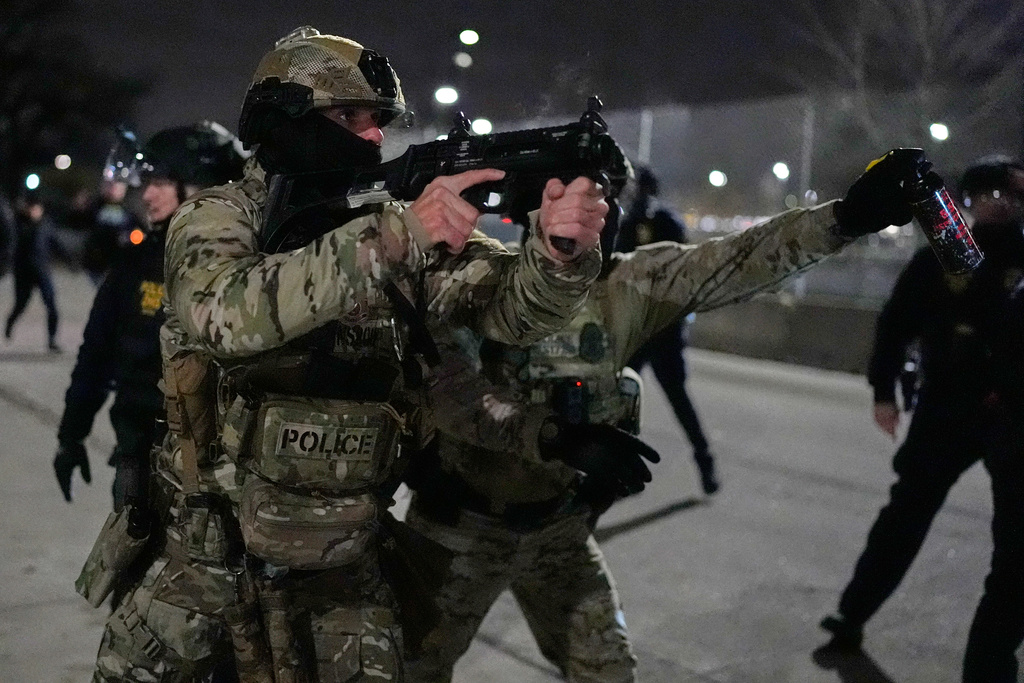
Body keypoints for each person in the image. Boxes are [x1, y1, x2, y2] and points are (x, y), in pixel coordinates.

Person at [88, 25, 607, 682]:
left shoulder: (393, 223)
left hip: (342, 579)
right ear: (285, 118)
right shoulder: (221, 216)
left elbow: (509, 308)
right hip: (206, 571)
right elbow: (224, 314)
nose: (370, 136)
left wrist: (560, 252)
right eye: (349, 115)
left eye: (378, 121)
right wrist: (397, 235)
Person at [402, 149, 926, 683]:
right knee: (408, 668)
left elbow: (738, 260)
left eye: (604, 200)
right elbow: (452, 397)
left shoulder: (627, 284)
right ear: (534, 212)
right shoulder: (471, 284)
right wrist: (555, 437)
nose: (594, 214)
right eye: (573, 199)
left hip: (557, 530)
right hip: (458, 526)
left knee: (608, 671)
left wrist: (846, 219)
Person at [819, 156, 1024, 683]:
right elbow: (895, 324)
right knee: (906, 514)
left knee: (1016, 555)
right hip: (948, 406)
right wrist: (883, 390)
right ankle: (854, 611)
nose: (997, 202)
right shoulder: (947, 251)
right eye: (984, 192)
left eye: (1008, 192)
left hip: (1013, 413)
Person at [52, 121, 247, 512]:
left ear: (198, 187)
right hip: (140, 457)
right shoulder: (136, 263)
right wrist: (71, 436)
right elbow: (96, 354)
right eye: (148, 182)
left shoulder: (244, 266)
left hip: (224, 471)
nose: (148, 193)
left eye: (161, 181)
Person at [617, 166, 718, 494]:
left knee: (670, 397)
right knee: (626, 400)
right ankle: (627, 471)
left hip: (660, 326)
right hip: (642, 325)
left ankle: (704, 459)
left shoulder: (658, 223)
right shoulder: (635, 222)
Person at [4, 190, 60, 351]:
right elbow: (10, 245)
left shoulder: (46, 224)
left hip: (42, 271)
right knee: (21, 304)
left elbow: (56, 243)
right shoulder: (17, 224)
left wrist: (71, 260)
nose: (34, 211)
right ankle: (10, 322)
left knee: (51, 306)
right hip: (24, 273)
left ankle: (52, 340)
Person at [73, 178, 144, 283]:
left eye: (117, 186)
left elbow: (139, 232)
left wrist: (131, 238)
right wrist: (78, 209)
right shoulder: (94, 206)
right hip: (96, 262)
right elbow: (78, 223)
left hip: (119, 261)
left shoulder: (129, 210)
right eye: (110, 185)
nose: (113, 189)